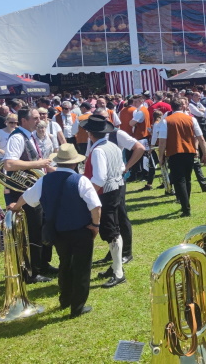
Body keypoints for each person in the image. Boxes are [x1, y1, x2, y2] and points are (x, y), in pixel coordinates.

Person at [11, 143, 101, 319]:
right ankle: (77, 306)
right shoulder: (81, 180)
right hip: (81, 230)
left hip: (58, 231)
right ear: (75, 163)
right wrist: (95, 225)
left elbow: (27, 197)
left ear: (58, 162)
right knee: (82, 268)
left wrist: (16, 206)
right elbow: (95, 206)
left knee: (64, 263)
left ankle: (65, 299)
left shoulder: (45, 180)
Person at [3, 108, 56, 283]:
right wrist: (38, 164)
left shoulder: (30, 136)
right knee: (33, 230)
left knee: (43, 227)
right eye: (35, 118)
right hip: (25, 191)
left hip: (37, 188)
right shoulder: (17, 137)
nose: (39, 120)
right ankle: (32, 271)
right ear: (24, 121)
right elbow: (9, 164)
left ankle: (43, 264)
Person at [81, 115, 130, 288]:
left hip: (105, 193)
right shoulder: (113, 146)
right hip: (116, 189)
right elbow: (122, 167)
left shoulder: (98, 151)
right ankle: (116, 266)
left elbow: (99, 178)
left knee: (111, 232)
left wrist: (88, 194)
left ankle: (118, 272)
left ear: (90, 134)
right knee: (114, 229)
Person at [156, 99, 206, 217]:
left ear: (171, 108)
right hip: (189, 152)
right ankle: (186, 203)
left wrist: (161, 156)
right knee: (187, 179)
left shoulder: (166, 121)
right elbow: (201, 138)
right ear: (182, 107)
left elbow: (162, 141)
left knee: (179, 180)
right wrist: (205, 154)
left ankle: (185, 207)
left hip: (174, 153)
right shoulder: (192, 119)